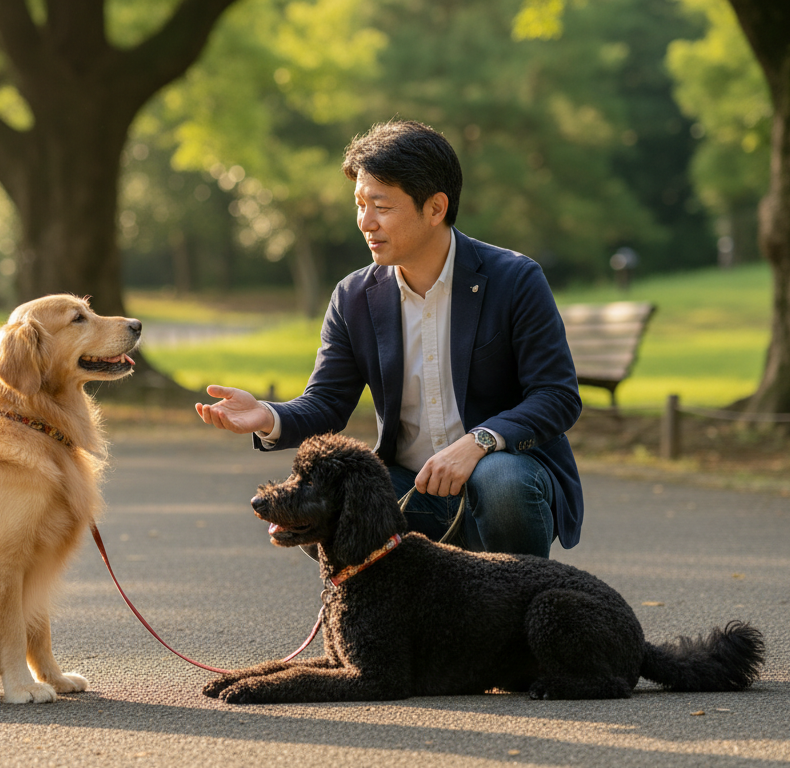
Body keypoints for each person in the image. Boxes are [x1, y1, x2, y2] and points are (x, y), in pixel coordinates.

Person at [195, 120, 583, 557]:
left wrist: (479, 443)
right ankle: (392, 623)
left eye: (381, 206)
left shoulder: (514, 279)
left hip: (501, 485)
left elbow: (556, 395)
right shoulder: (354, 296)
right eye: (360, 204)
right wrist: (266, 415)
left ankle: (516, 610)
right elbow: (327, 403)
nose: (365, 222)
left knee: (500, 481)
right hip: (411, 489)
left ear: (435, 208)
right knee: (329, 504)